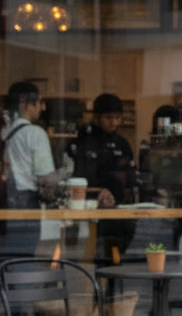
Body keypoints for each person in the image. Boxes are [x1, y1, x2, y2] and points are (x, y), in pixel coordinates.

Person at [66, 93, 138, 261]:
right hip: (88, 210)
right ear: (96, 117)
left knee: (115, 259)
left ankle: (112, 286)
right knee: (89, 259)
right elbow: (74, 177)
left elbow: (130, 177)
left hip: (117, 211)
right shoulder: (82, 141)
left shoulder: (123, 143)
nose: (113, 122)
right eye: (108, 117)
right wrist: (96, 193)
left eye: (117, 117)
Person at [1, 81, 57, 259]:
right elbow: (47, 179)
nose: (42, 107)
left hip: (3, 203)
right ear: (25, 102)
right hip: (25, 204)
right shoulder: (35, 133)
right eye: (39, 102)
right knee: (21, 262)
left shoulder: (3, 132)